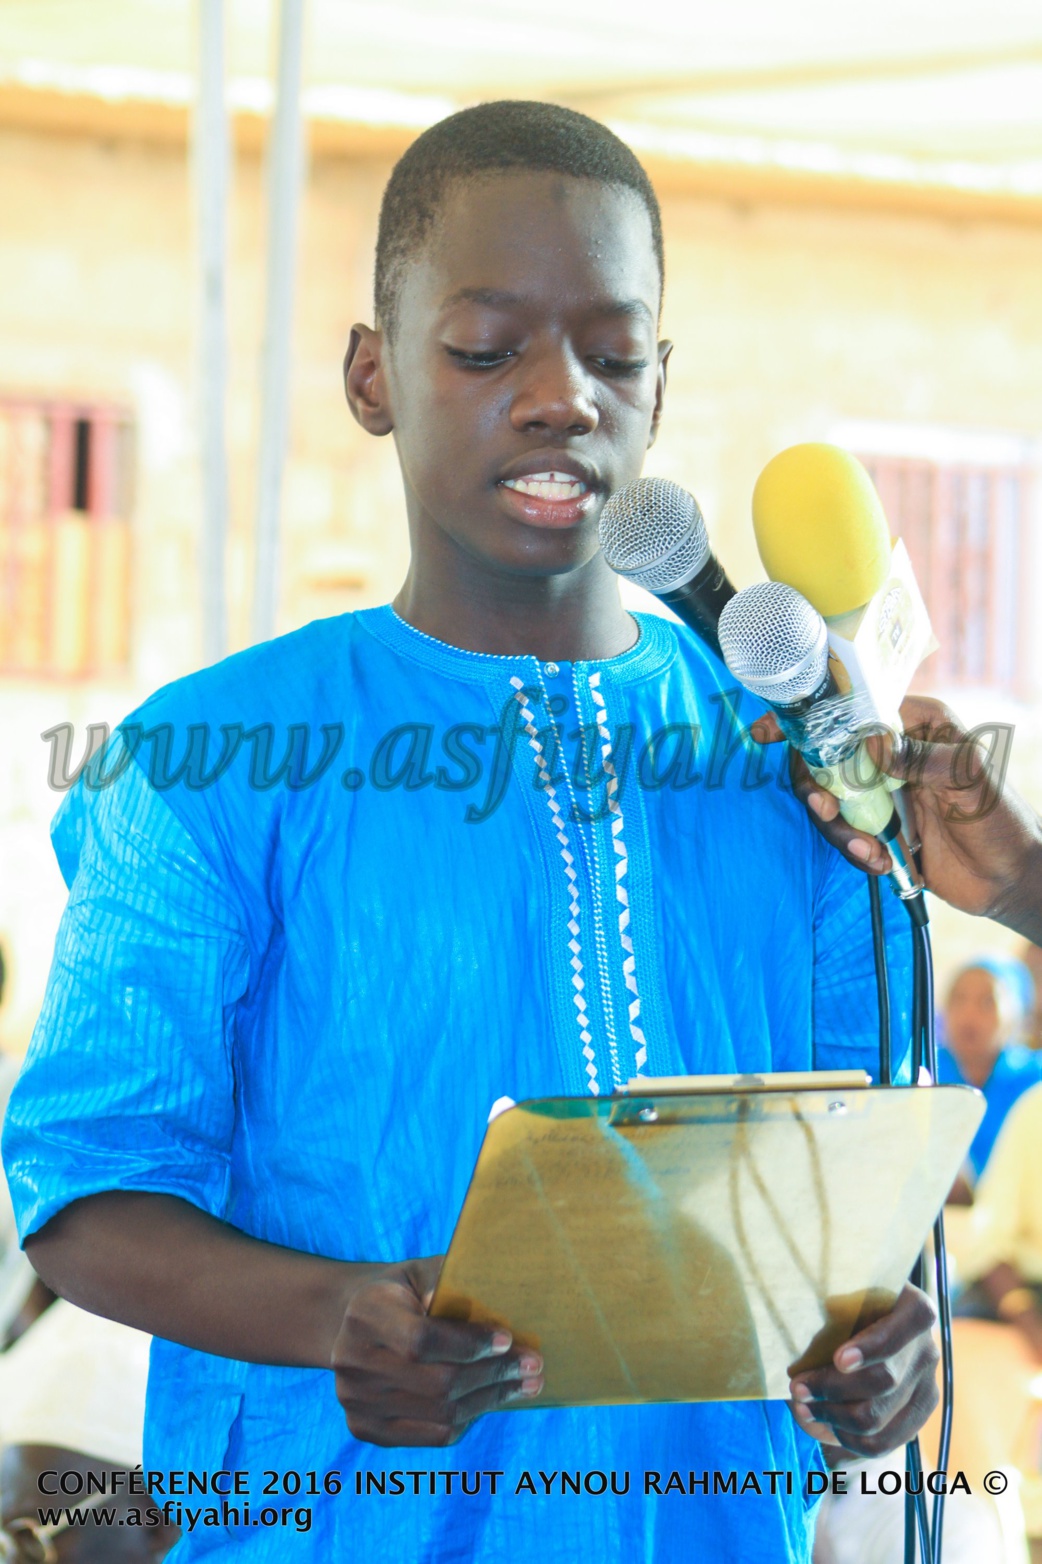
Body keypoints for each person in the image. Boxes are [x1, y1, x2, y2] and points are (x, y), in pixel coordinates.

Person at [2, 102, 939, 1563]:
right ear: (371, 374)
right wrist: (338, 1313)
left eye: (613, 355)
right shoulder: (206, 758)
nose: (562, 397)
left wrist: (888, 1342)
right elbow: (86, 1193)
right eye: (488, 349)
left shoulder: (783, 755)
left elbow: (853, 1174)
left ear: (660, 384)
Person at [937, 956, 1041, 1183]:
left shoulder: (1035, 1080)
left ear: (1017, 1015)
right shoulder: (924, 1075)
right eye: (958, 999)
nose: (969, 1014)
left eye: (987, 1002)